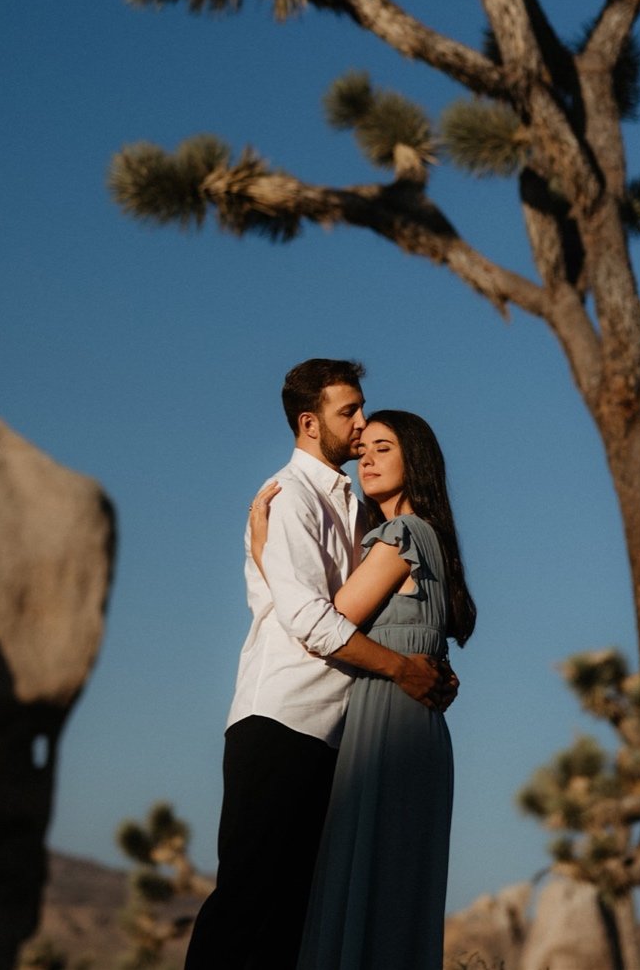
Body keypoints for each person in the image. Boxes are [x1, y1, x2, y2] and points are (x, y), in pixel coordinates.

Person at [180, 359, 454, 970]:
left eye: (363, 409)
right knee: (248, 902)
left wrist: (422, 656)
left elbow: (370, 609)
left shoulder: (361, 513)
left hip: (340, 733)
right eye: (347, 412)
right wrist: (401, 669)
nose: (360, 424)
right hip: (281, 717)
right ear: (309, 422)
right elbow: (308, 621)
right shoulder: (288, 497)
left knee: (296, 919)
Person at [247, 410, 477, 970]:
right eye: (364, 448)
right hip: (407, 723)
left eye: (383, 448)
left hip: (388, 724)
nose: (366, 458)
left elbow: (329, 620)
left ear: (413, 460)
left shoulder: (401, 535)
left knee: (370, 877)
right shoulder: (427, 540)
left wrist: (265, 550)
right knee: (390, 883)